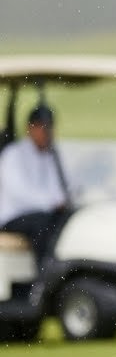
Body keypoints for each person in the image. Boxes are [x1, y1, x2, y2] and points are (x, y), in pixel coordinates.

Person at [0, 105, 71, 266]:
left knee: (68, 221)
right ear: (30, 128)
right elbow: (19, 192)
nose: (47, 133)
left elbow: (61, 186)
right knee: (44, 226)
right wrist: (52, 202)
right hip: (15, 216)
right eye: (42, 127)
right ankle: (44, 276)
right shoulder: (13, 154)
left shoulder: (53, 155)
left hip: (44, 213)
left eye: (50, 127)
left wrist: (62, 201)